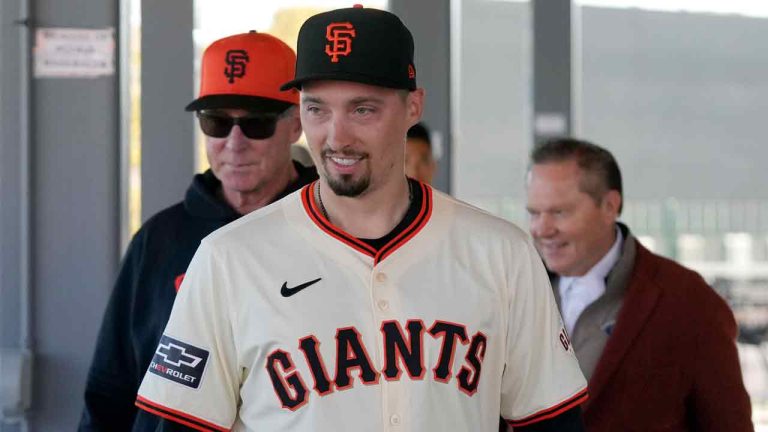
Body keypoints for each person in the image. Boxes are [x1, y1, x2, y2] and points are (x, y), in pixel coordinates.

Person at [135, 6, 587, 432]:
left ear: (413, 107)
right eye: (317, 109)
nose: (337, 136)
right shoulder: (227, 258)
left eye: (362, 109)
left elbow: (550, 420)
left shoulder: (501, 253)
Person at [78, 31, 317, 432]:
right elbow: (109, 389)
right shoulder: (158, 240)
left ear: (295, 125)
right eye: (217, 122)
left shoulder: (332, 232)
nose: (234, 143)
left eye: (256, 124)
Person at [525, 137, 753, 432]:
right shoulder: (513, 293)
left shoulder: (689, 304)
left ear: (610, 206)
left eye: (560, 212)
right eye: (533, 213)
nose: (542, 229)